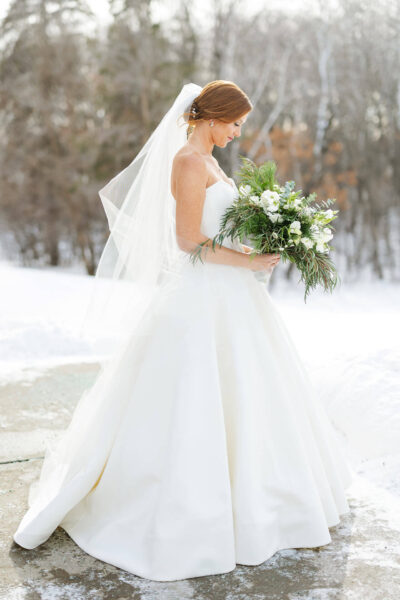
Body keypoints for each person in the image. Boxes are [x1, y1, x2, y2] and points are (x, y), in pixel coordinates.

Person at [13, 80, 355, 582]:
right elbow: (186, 241)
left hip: (233, 296)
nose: (239, 133)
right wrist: (249, 258)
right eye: (234, 123)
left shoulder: (211, 160)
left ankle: (260, 501)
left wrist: (262, 239)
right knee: (194, 399)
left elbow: (218, 227)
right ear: (212, 118)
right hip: (201, 295)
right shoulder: (188, 162)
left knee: (251, 395)